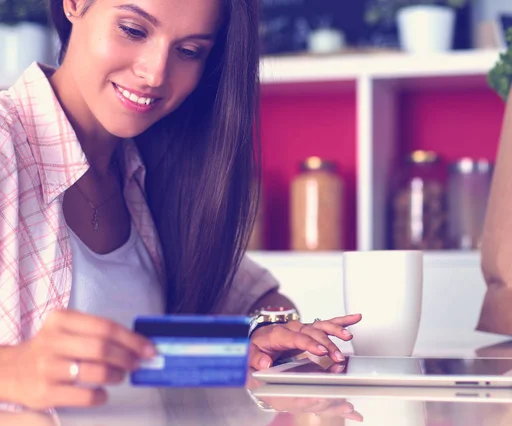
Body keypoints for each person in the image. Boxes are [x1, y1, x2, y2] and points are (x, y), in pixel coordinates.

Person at [0, 0, 361, 410]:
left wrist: (258, 337)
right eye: (134, 30)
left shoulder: (153, 174)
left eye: (189, 52)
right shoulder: (6, 145)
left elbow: (253, 300)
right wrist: (9, 370)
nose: (154, 73)